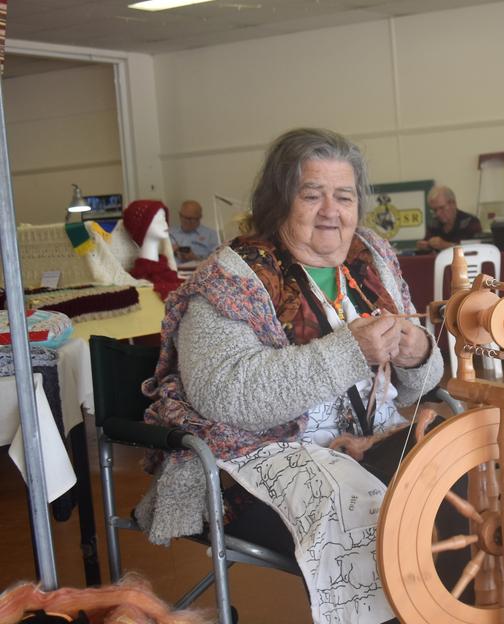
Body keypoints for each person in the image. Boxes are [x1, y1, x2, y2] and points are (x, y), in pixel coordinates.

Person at [136, 128, 446, 624]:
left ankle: (449, 610)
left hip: (374, 437)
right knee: (366, 511)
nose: (331, 211)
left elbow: (422, 379)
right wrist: (350, 351)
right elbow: (226, 394)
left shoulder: (372, 257)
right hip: (260, 458)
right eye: (312, 195)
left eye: (344, 196)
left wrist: (419, 352)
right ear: (279, 200)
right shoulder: (231, 277)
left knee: (459, 469)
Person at [121, 199, 181, 301]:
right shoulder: (140, 276)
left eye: (164, 219)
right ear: (142, 227)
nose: (165, 225)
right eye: (158, 220)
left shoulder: (167, 270)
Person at [416, 184, 481, 252]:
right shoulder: (433, 224)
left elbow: (474, 250)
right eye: (435, 210)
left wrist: (446, 246)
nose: (438, 214)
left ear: (453, 203)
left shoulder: (470, 222)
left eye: (441, 208)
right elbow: (426, 246)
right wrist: (424, 246)